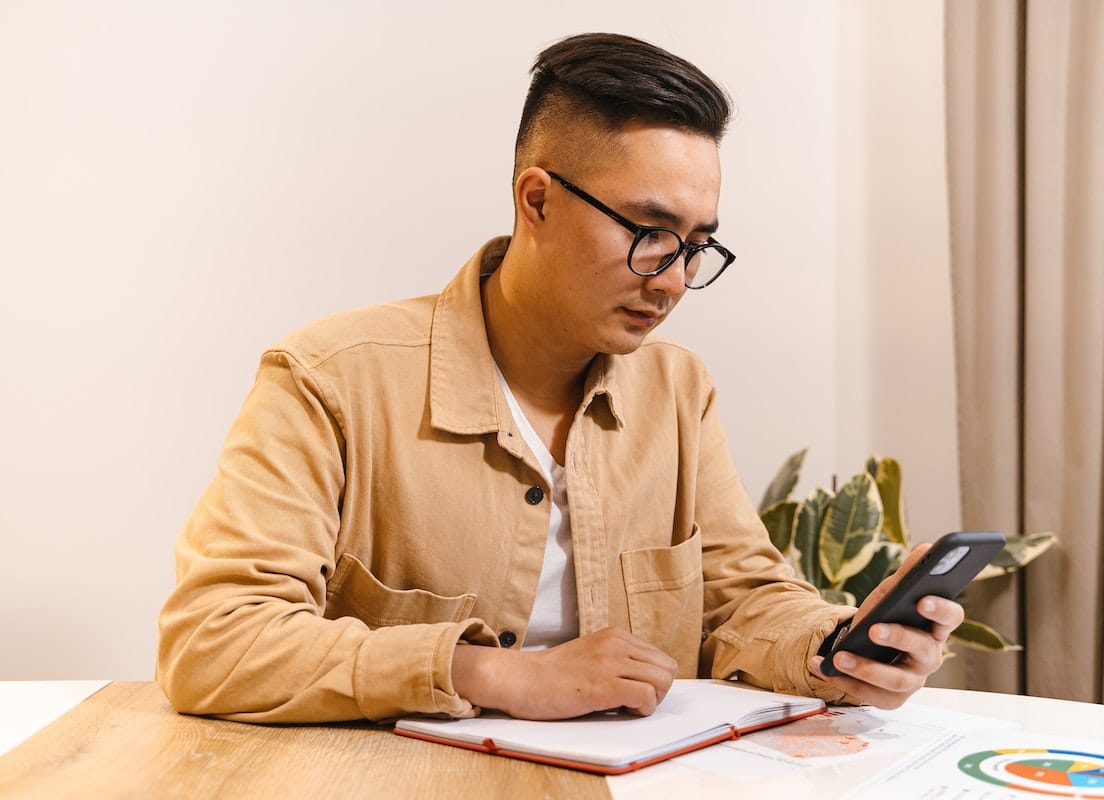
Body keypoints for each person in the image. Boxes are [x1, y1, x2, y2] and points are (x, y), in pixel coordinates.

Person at [156, 32, 963, 724]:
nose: (672, 279)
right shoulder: (329, 380)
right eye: (650, 233)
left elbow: (741, 599)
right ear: (536, 200)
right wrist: (494, 674)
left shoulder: (679, 392)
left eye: (696, 245)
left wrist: (837, 648)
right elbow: (213, 637)